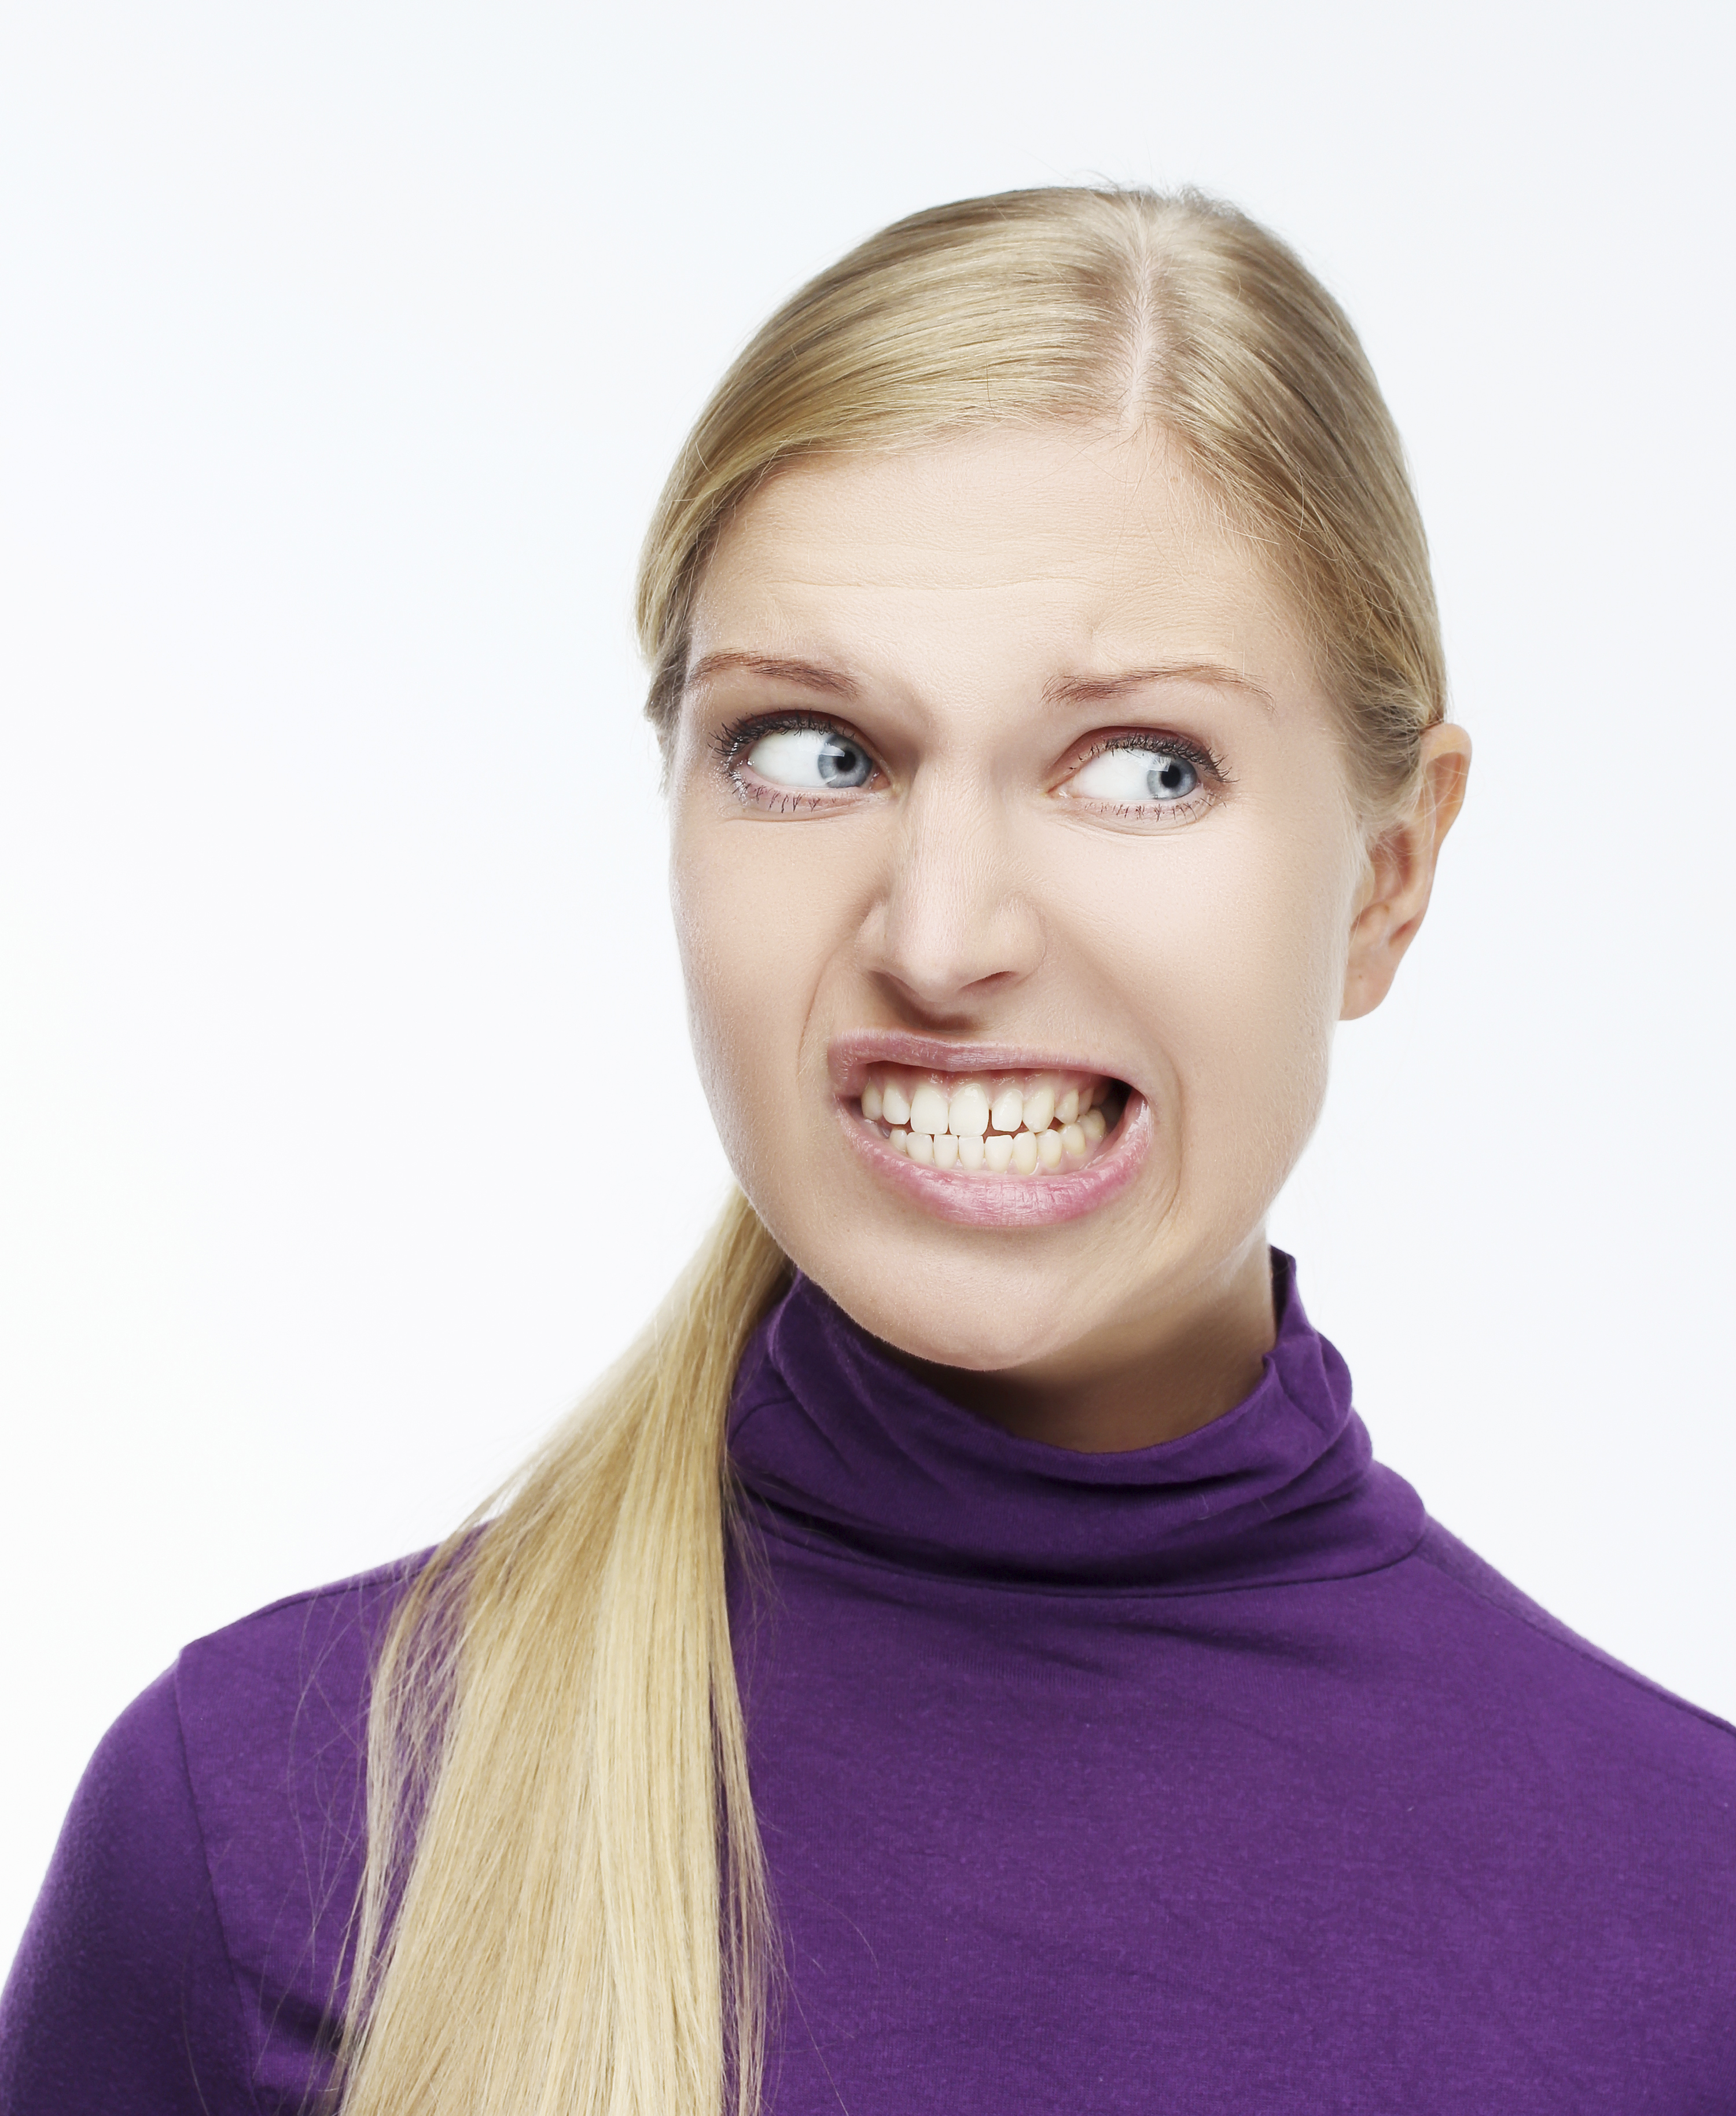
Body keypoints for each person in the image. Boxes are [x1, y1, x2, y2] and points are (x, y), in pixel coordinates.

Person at [2, 185, 1731, 2116]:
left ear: (1389, 880)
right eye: (817, 750)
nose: (939, 932)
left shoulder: (1697, 1925)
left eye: (1146, 765)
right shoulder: (274, 1835)